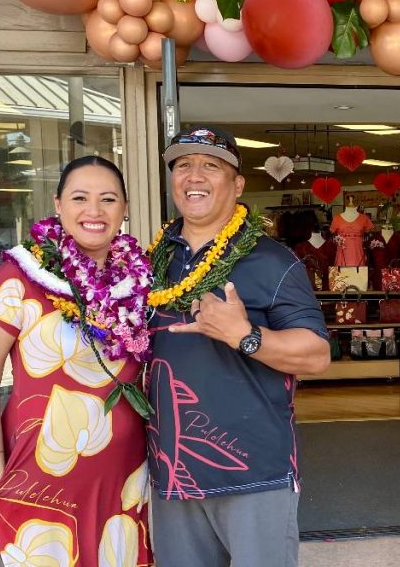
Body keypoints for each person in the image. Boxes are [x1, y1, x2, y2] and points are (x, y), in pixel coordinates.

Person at [146, 125, 330, 567]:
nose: (194, 176)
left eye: (211, 166)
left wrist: (244, 335)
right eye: (183, 165)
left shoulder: (272, 261)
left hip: (253, 473)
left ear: (238, 184)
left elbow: (316, 354)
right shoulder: (151, 262)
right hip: (173, 474)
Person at [0, 156, 154, 565]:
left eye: (108, 199)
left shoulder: (140, 283)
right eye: (80, 198)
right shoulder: (20, 279)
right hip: (40, 481)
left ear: (124, 208)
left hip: (122, 480)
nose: (94, 211)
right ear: (58, 204)